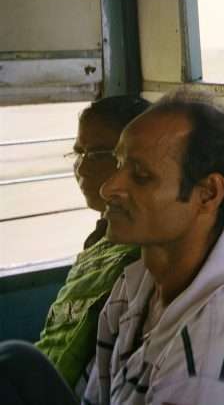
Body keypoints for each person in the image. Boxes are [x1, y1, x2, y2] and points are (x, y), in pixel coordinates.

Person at [0, 91, 224, 405]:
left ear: (207, 193)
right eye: (118, 164)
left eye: (141, 176)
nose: (109, 188)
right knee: (16, 361)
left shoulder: (205, 370)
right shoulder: (136, 283)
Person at [37, 96, 149, 387]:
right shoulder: (103, 236)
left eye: (99, 155)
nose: (82, 169)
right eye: (79, 154)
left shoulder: (141, 261)